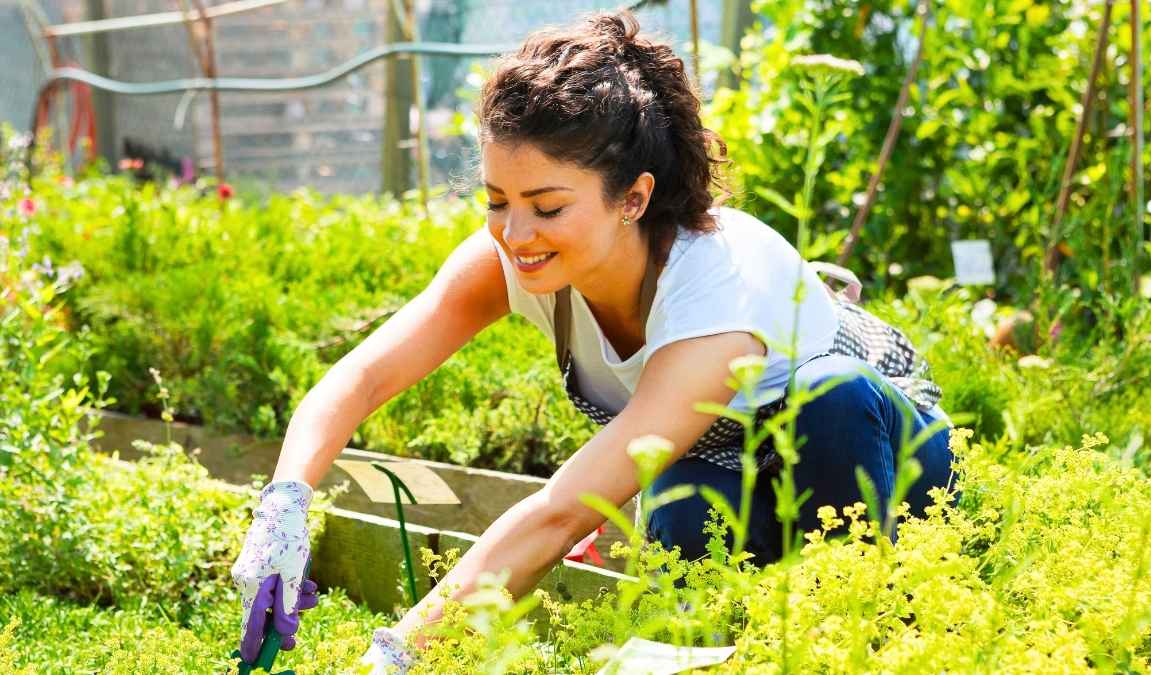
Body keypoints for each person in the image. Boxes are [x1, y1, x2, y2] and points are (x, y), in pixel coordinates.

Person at [230, 10, 957, 672]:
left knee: (827, 400)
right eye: (496, 201)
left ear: (633, 198)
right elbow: (358, 380)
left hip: (887, 459)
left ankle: (875, 641)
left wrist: (398, 654)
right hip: (728, 462)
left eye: (547, 206)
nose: (515, 235)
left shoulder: (716, 285)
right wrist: (284, 507)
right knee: (678, 566)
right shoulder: (512, 257)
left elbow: (561, 510)